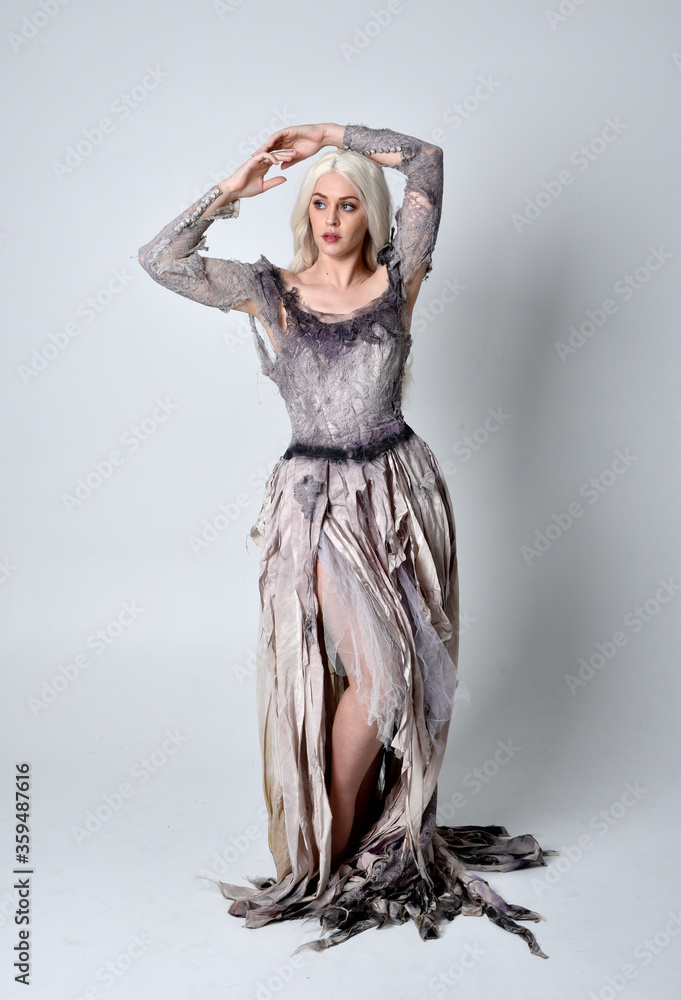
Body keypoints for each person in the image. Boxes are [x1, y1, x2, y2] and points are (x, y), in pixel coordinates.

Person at [137, 121, 557, 957]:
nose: (331, 218)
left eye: (347, 204)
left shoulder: (400, 279)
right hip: (317, 503)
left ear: (370, 212)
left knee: (395, 676)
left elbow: (428, 162)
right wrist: (230, 190)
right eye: (319, 203)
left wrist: (332, 135)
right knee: (376, 676)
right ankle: (324, 852)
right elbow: (161, 260)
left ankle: (354, 831)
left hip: (402, 492)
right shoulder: (271, 290)